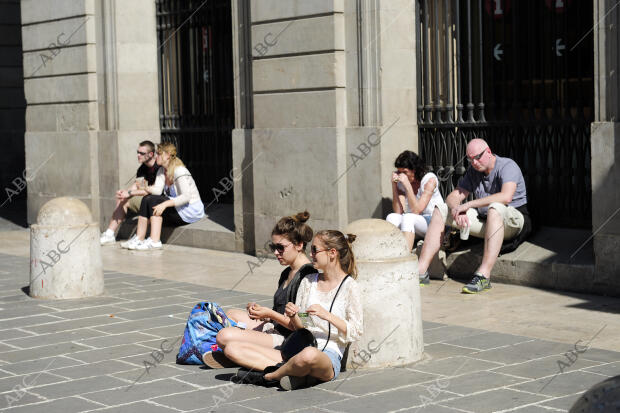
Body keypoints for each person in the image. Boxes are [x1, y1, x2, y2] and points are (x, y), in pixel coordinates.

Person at [224, 230, 363, 391]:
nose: (311, 255)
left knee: (309, 355)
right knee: (232, 348)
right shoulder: (308, 281)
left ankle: (271, 376)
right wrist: (295, 316)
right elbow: (303, 327)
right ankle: (298, 375)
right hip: (299, 346)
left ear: (332, 253)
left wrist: (327, 316)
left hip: (327, 355)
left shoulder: (350, 287)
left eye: (315, 250)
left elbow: (356, 330)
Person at [203, 211, 317, 368]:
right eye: (273, 247)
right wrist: (261, 313)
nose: (276, 252)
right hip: (275, 327)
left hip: (288, 337)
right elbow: (279, 311)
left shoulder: (308, 275)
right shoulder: (287, 272)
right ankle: (241, 351)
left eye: (280, 247)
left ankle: (242, 353)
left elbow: (304, 325)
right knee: (230, 314)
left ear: (299, 245)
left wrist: (270, 314)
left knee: (223, 336)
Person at [417, 138, 531, 293]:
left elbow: (506, 197)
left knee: (495, 208)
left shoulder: (507, 165)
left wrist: (469, 205)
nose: (475, 163)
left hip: (513, 221)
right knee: (441, 208)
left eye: (478, 157)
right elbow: (453, 197)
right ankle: (420, 272)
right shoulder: (474, 171)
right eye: (470, 160)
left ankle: (483, 276)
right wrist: (458, 209)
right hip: (487, 221)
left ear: (489, 152)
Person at [123, 142, 205, 250]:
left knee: (153, 201)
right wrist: (145, 188)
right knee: (147, 198)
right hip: (177, 207)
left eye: (159, 154)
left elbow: (186, 197)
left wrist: (165, 204)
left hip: (190, 210)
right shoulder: (162, 170)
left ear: (167, 155)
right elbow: (157, 190)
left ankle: (154, 241)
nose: (156, 156)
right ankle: (139, 238)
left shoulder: (179, 171)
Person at [100, 140, 160, 245]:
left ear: (151, 154)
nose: (138, 155)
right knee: (123, 199)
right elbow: (140, 186)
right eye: (137, 152)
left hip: (158, 200)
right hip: (147, 198)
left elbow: (154, 191)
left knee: (127, 200)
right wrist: (125, 192)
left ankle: (114, 234)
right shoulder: (142, 168)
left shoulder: (158, 167)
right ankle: (109, 234)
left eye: (141, 153)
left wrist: (130, 193)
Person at [386, 150, 445, 252]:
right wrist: (394, 186)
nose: (402, 175)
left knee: (409, 217)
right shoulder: (402, 183)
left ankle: (405, 257)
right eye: (399, 172)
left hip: (434, 221)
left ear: (415, 170)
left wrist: (407, 186)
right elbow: (398, 212)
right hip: (415, 224)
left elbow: (417, 210)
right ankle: (391, 254)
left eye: (404, 172)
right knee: (391, 217)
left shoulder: (429, 180)